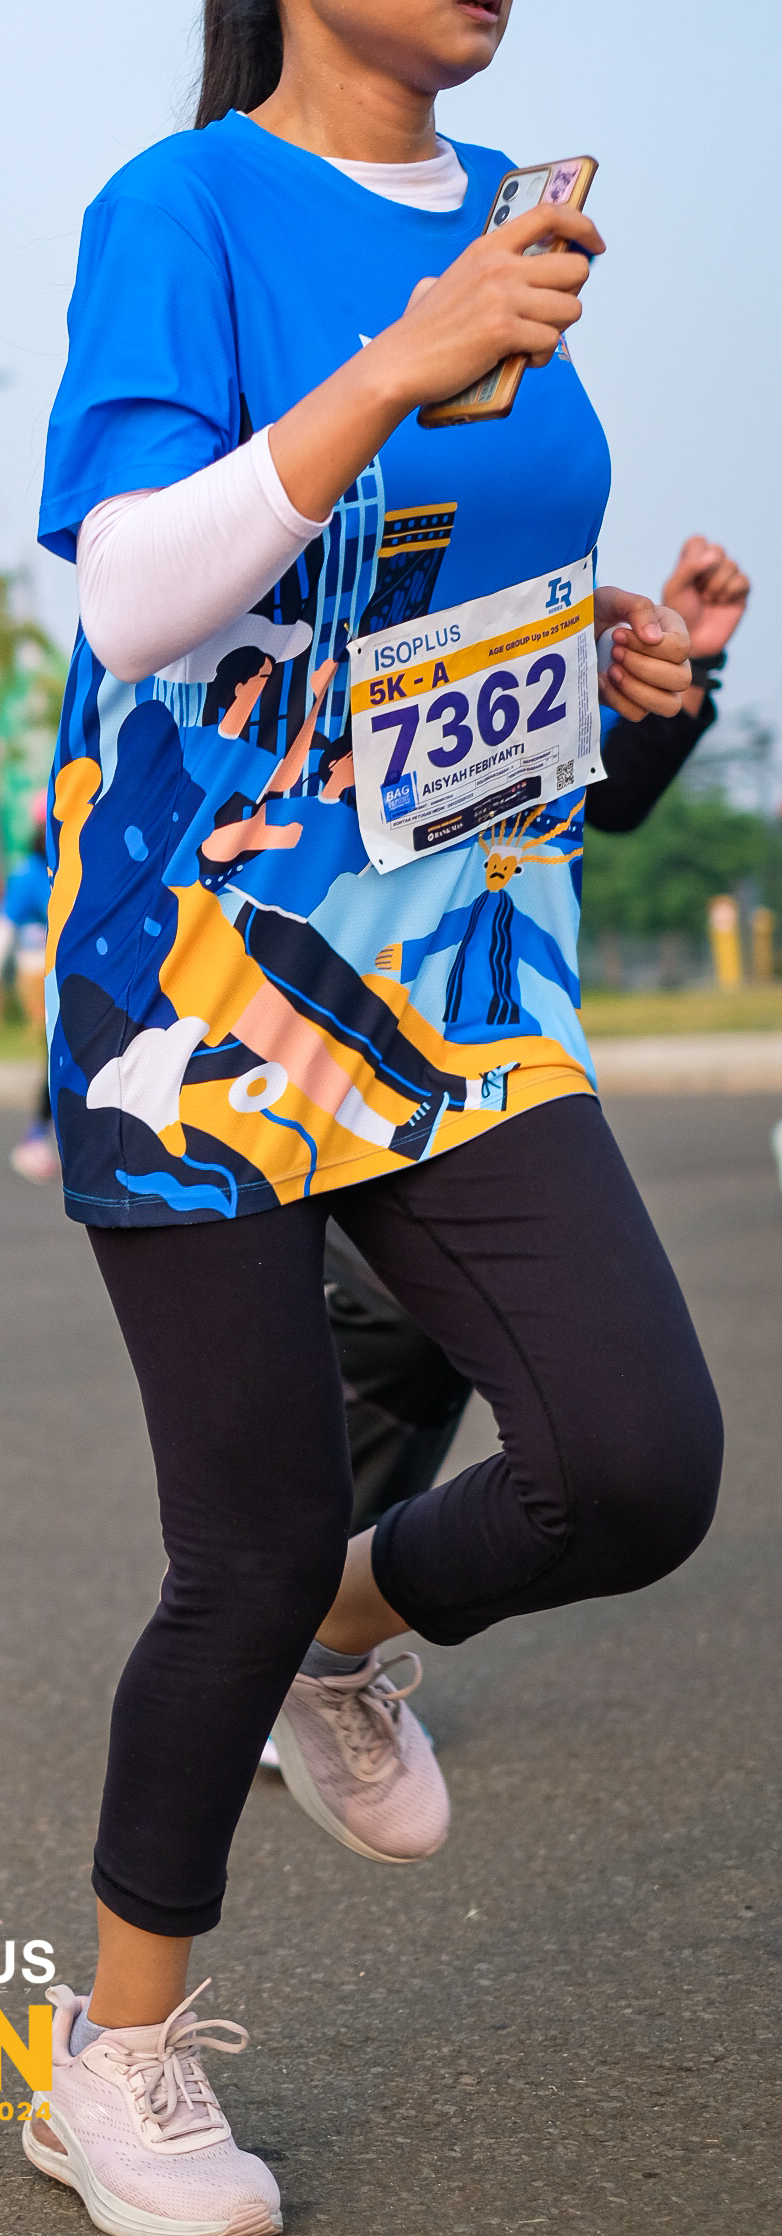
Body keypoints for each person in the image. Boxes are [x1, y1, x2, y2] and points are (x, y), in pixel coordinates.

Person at [23, 0, 722, 2236]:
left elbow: (460, 709)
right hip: (203, 991)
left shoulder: (508, 230)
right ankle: (111, 2061)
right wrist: (399, 362)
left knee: (632, 1466)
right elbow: (131, 589)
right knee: (228, 1544)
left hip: (464, 978)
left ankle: (354, 1626)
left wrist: (640, 699)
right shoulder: (185, 208)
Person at [316, 529, 752, 1537]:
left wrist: (683, 665)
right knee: (380, 1318)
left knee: (475, 1355)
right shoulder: (352, 551)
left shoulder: (527, 584)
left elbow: (604, 795)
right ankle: (291, 1605)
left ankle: (331, 1604)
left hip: (505, 1036)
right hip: (343, 1020)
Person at [0, 800, 60, 1181]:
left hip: (75, 973)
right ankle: (34, 1138)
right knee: (59, 1057)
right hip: (40, 975)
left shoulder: (76, 862)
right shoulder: (29, 874)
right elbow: (2, 930)